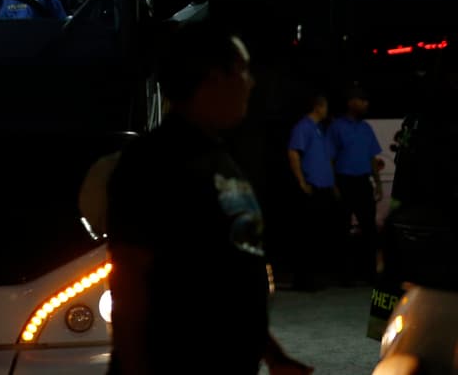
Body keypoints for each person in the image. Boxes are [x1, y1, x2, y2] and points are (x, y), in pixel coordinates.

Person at [106, 19, 312, 375]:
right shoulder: (155, 160)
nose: (251, 82)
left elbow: (221, 280)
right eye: (243, 70)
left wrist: (271, 353)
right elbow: (130, 284)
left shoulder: (218, 155)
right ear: (214, 77)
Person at [328, 82, 384, 283]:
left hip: (362, 181)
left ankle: (369, 273)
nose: (366, 104)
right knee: (342, 228)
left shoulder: (365, 128)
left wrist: (377, 184)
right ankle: (345, 274)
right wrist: (333, 185)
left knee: (369, 227)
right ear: (352, 103)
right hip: (344, 181)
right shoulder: (337, 127)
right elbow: (330, 158)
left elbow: (372, 158)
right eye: (363, 101)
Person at [286, 92, 340, 292]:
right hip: (312, 187)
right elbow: (293, 152)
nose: (327, 111)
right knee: (307, 234)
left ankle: (316, 277)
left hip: (324, 187)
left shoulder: (320, 130)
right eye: (325, 107)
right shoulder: (304, 127)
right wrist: (301, 181)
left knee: (319, 234)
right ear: (318, 107)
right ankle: (303, 280)